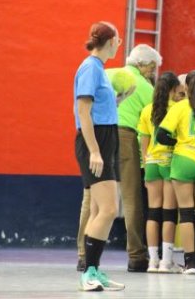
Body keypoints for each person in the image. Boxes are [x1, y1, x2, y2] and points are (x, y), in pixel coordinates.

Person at [73, 21, 125, 291]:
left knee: (98, 209)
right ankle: (88, 272)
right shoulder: (90, 67)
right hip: (96, 142)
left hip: (106, 138)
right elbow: (83, 111)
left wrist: (116, 102)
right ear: (110, 41)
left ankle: (94, 270)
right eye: (118, 39)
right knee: (109, 209)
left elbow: (99, 108)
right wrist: (94, 150)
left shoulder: (100, 69)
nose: (120, 43)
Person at [156, 70, 195, 274]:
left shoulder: (180, 107)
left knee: (186, 214)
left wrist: (178, 142)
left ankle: (191, 263)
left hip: (184, 160)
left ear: (186, 87)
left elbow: (161, 136)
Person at [118, 44, 163, 272]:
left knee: (92, 198)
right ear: (142, 64)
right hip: (126, 138)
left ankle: (84, 254)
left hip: (100, 134)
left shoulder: (114, 75)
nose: (152, 73)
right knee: (132, 198)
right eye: (152, 68)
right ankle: (136, 256)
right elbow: (152, 123)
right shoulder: (145, 88)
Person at [138, 71, 184, 273]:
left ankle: (152, 261)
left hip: (151, 164)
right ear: (173, 89)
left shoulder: (147, 110)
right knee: (168, 213)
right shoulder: (177, 108)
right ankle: (166, 261)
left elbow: (144, 140)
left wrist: (147, 160)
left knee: (153, 212)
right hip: (169, 162)